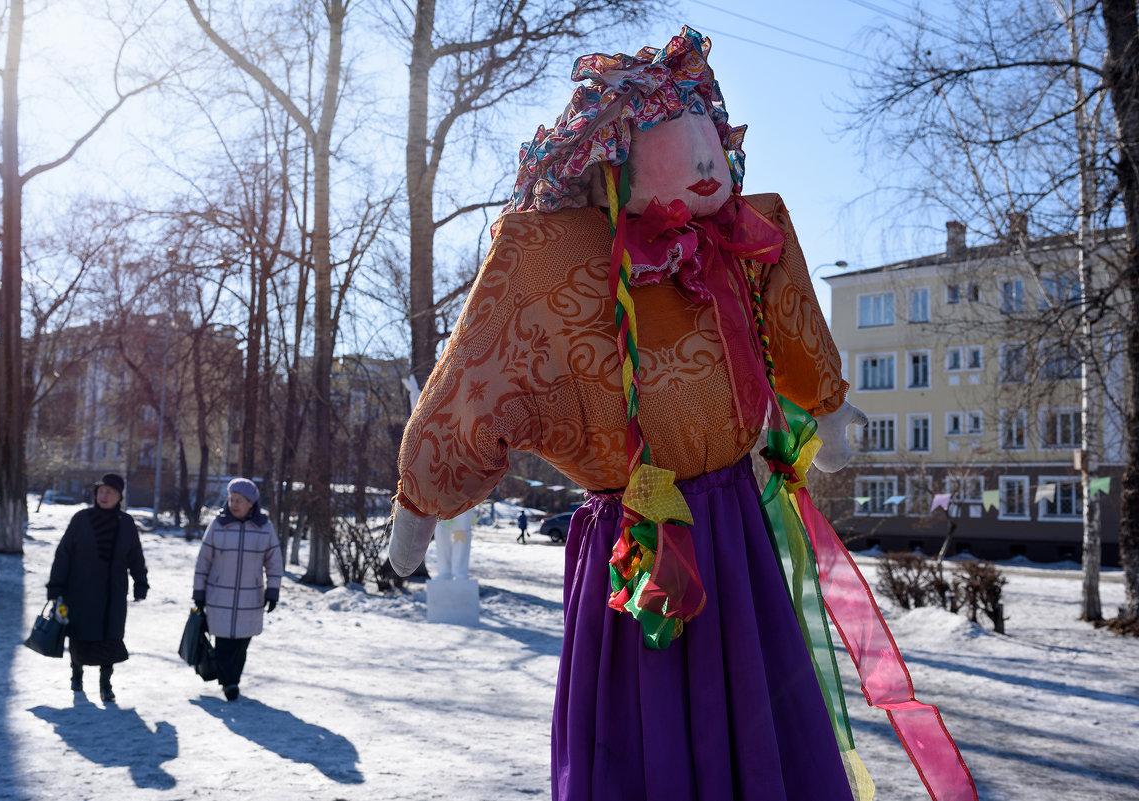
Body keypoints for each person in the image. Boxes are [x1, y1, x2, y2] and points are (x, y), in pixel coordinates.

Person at [389, 27, 974, 801]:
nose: (705, 159)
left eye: (708, 135)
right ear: (615, 157)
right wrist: (422, 495)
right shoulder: (547, 260)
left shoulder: (733, 238)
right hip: (636, 539)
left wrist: (824, 402)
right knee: (648, 731)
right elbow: (475, 373)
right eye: (679, 137)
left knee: (757, 721)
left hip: (734, 530)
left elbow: (785, 295)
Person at [47, 472, 147, 702]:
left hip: (113, 593)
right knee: (79, 635)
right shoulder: (81, 519)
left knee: (110, 637)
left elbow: (135, 557)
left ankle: (105, 684)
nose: (104, 495)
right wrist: (56, 587)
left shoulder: (126, 523)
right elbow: (63, 554)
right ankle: (76, 676)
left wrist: (140, 583)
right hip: (80, 591)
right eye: (101, 491)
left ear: (118, 497)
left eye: (109, 492)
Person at [193, 478, 283, 702]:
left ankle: (232, 678)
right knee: (223, 642)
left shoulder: (265, 528)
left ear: (251, 503)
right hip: (218, 594)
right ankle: (229, 683)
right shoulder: (218, 525)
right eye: (232, 499)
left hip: (250, 597)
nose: (234, 504)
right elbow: (203, 561)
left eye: (239, 500)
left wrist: (273, 590)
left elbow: (274, 562)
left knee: (241, 644)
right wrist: (199, 592)